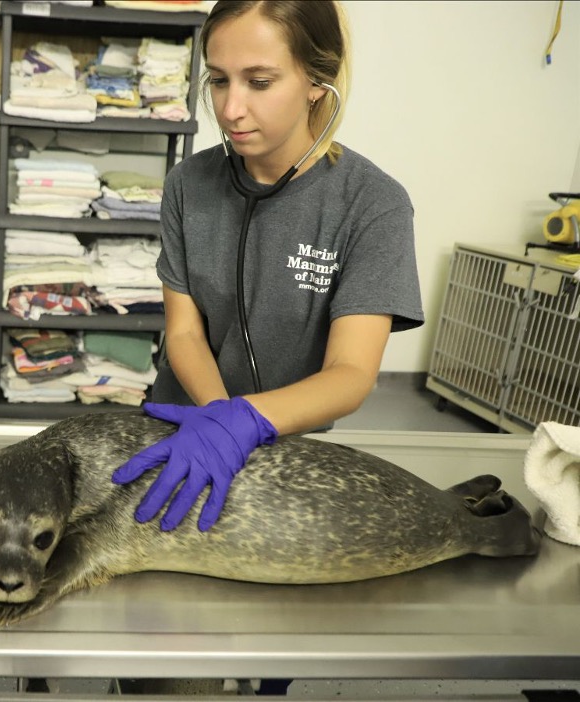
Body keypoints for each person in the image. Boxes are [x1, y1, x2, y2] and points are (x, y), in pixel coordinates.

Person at [112, 0, 425, 533]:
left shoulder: (373, 204)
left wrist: (247, 424)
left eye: (259, 82)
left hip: (289, 447)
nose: (230, 109)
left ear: (318, 82)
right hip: (185, 430)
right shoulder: (188, 185)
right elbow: (184, 333)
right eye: (218, 80)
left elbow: (350, 374)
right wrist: (218, 421)